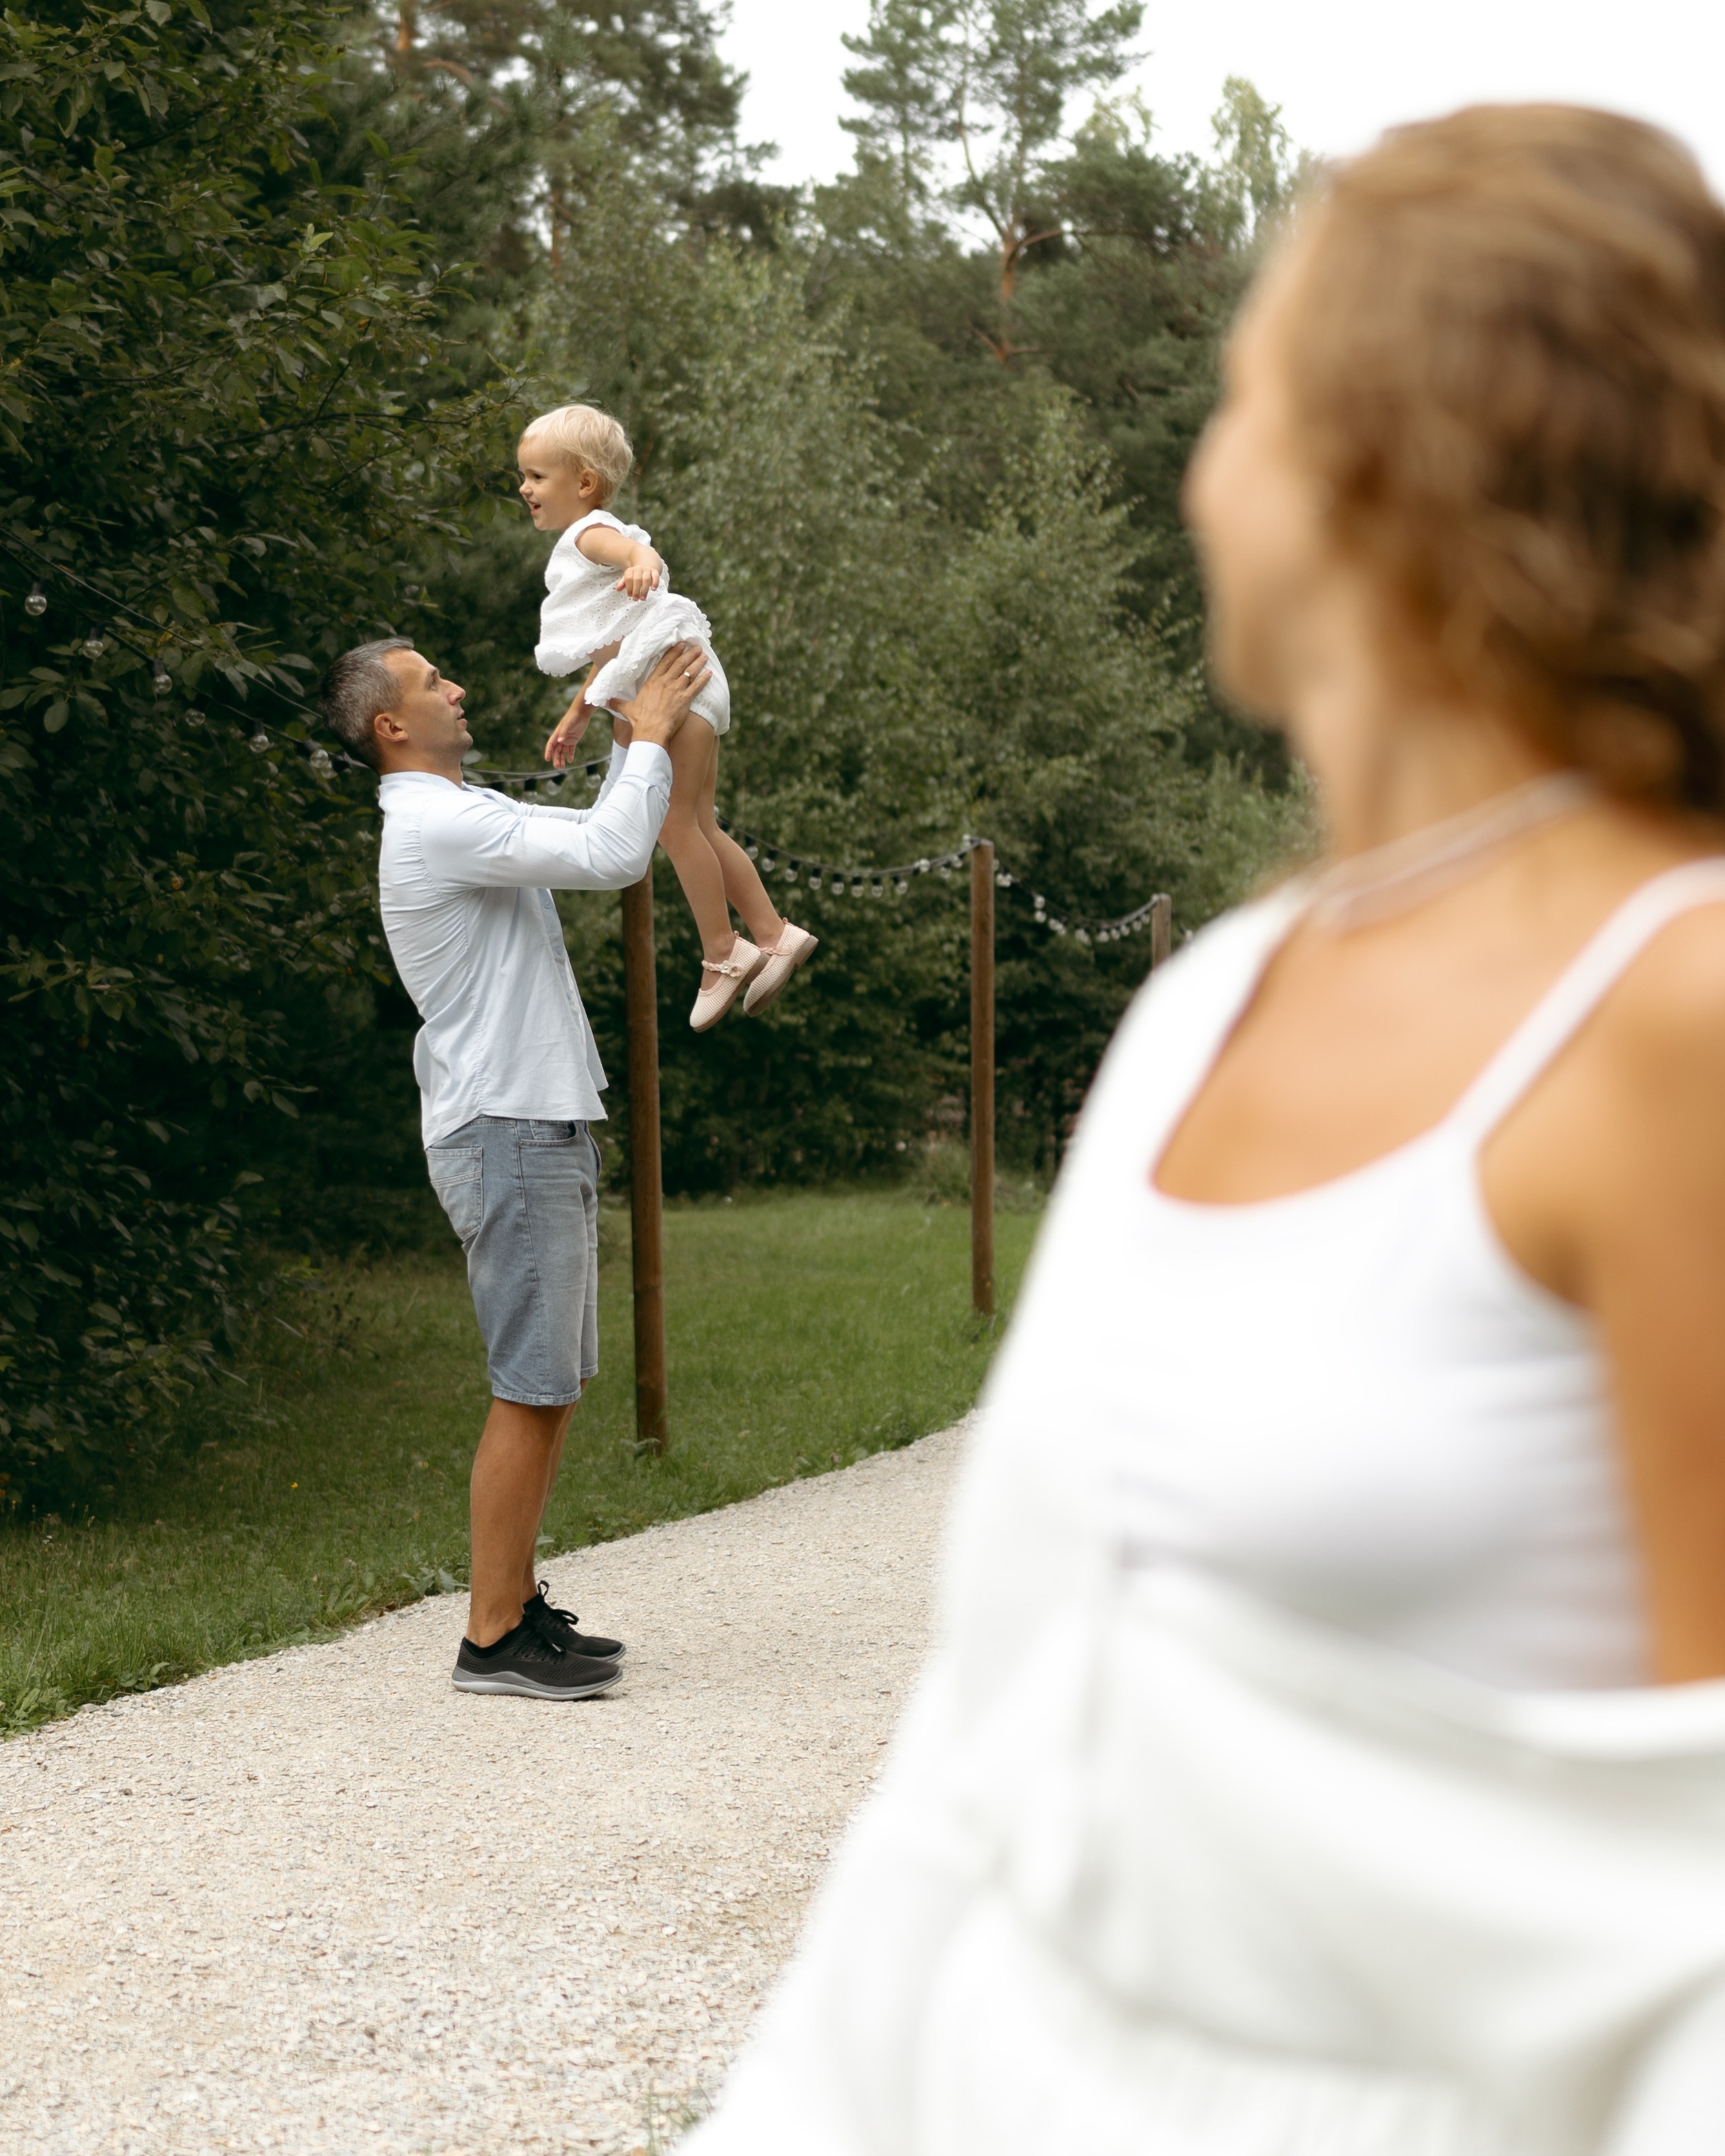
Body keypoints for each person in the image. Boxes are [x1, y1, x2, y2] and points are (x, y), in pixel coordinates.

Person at [683, 107, 1725, 2155]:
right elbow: (978, 1759)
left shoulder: (1671, 1017)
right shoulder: (1207, 1004)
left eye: (1241, 396)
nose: (1199, 472)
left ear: (1385, 460)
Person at [319, 635, 708, 1701]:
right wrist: (649, 735)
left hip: (528, 1121)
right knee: (529, 1388)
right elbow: (612, 854)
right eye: (430, 682)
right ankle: (491, 1639)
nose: (455, 689)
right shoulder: (435, 822)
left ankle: (512, 1607)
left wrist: (624, 733)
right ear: (390, 725)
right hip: (507, 1125)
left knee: (551, 1385)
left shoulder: (458, 808)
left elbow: (598, 839)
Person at [520, 401, 818, 1030]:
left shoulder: (589, 535)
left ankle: (724, 952)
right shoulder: (593, 539)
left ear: (584, 482)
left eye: (537, 476)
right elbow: (614, 645)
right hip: (693, 681)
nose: (525, 488)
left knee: (673, 824)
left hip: (674, 684)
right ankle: (773, 933)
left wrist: (641, 561)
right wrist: (579, 712)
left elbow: (633, 553)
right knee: (700, 823)